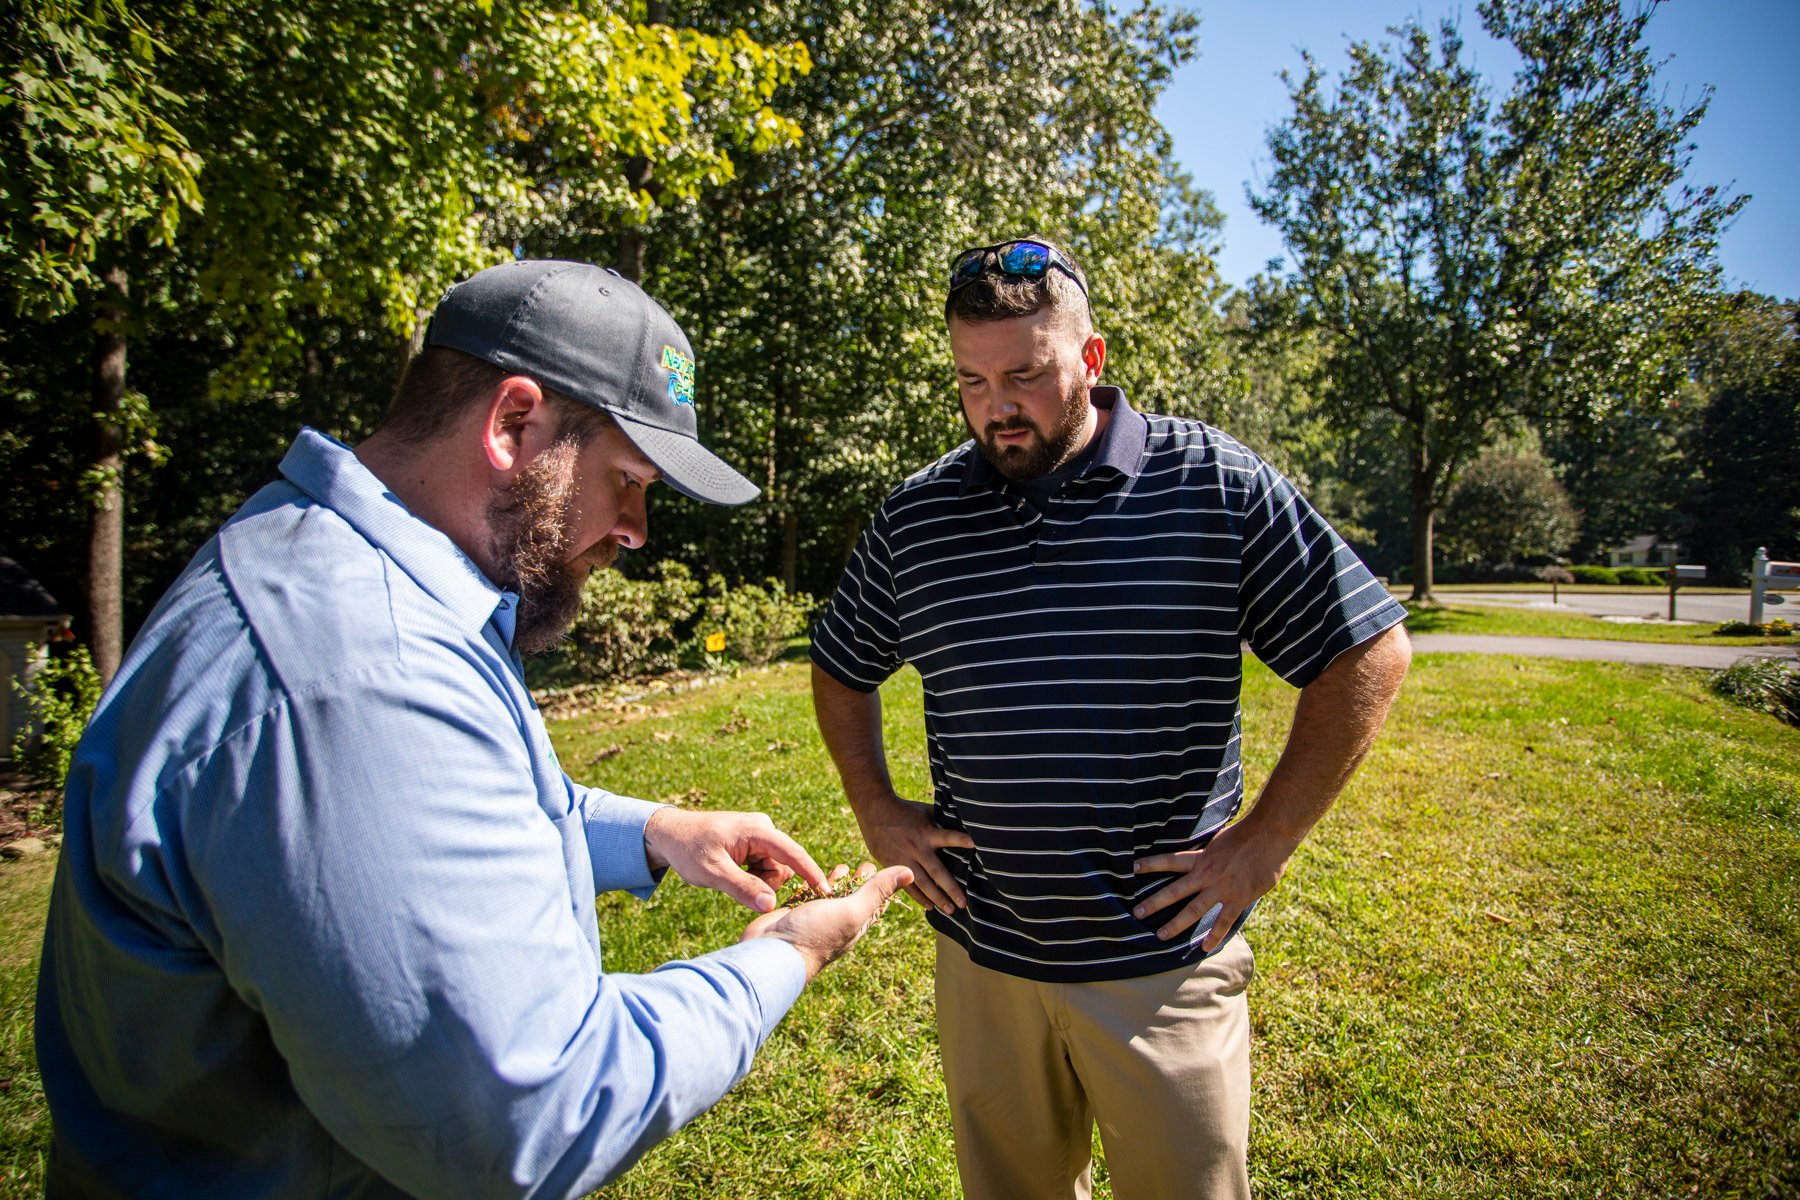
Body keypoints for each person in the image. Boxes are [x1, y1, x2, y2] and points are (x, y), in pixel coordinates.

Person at [36, 259, 910, 1199]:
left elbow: (447, 818)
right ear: (512, 423)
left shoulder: (344, 573)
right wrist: (782, 955)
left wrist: (653, 835)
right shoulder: (358, 673)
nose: (637, 528)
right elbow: (531, 1119)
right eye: (628, 479)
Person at [809, 237, 1412, 1199]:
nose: (996, 406)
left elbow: (1366, 649)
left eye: (1025, 375)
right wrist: (878, 810)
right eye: (970, 380)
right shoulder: (918, 518)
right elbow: (842, 667)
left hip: (1160, 967)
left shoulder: (1210, 484)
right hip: (987, 959)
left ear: (1090, 361)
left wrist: (1264, 843)